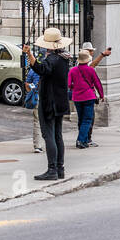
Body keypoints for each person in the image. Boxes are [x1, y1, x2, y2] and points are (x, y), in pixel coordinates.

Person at [23, 26, 72, 180]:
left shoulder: (52, 59)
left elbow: (40, 69)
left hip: (49, 103)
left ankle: (52, 170)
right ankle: (60, 168)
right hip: (60, 101)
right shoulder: (64, 58)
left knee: (48, 135)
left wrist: (29, 53)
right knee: (58, 135)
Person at [69, 47, 105, 149]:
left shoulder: (72, 70)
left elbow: (69, 84)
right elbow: (97, 83)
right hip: (89, 96)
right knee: (87, 119)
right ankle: (80, 140)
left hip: (77, 97)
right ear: (88, 59)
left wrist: (75, 88)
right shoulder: (90, 70)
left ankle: (84, 140)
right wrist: (101, 95)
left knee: (81, 119)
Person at [25, 63, 43, 153]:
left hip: (37, 97)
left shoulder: (33, 71)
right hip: (49, 98)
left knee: (37, 122)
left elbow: (27, 85)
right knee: (50, 122)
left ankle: (38, 146)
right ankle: (51, 143)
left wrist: (32, 90)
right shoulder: (51, 68)